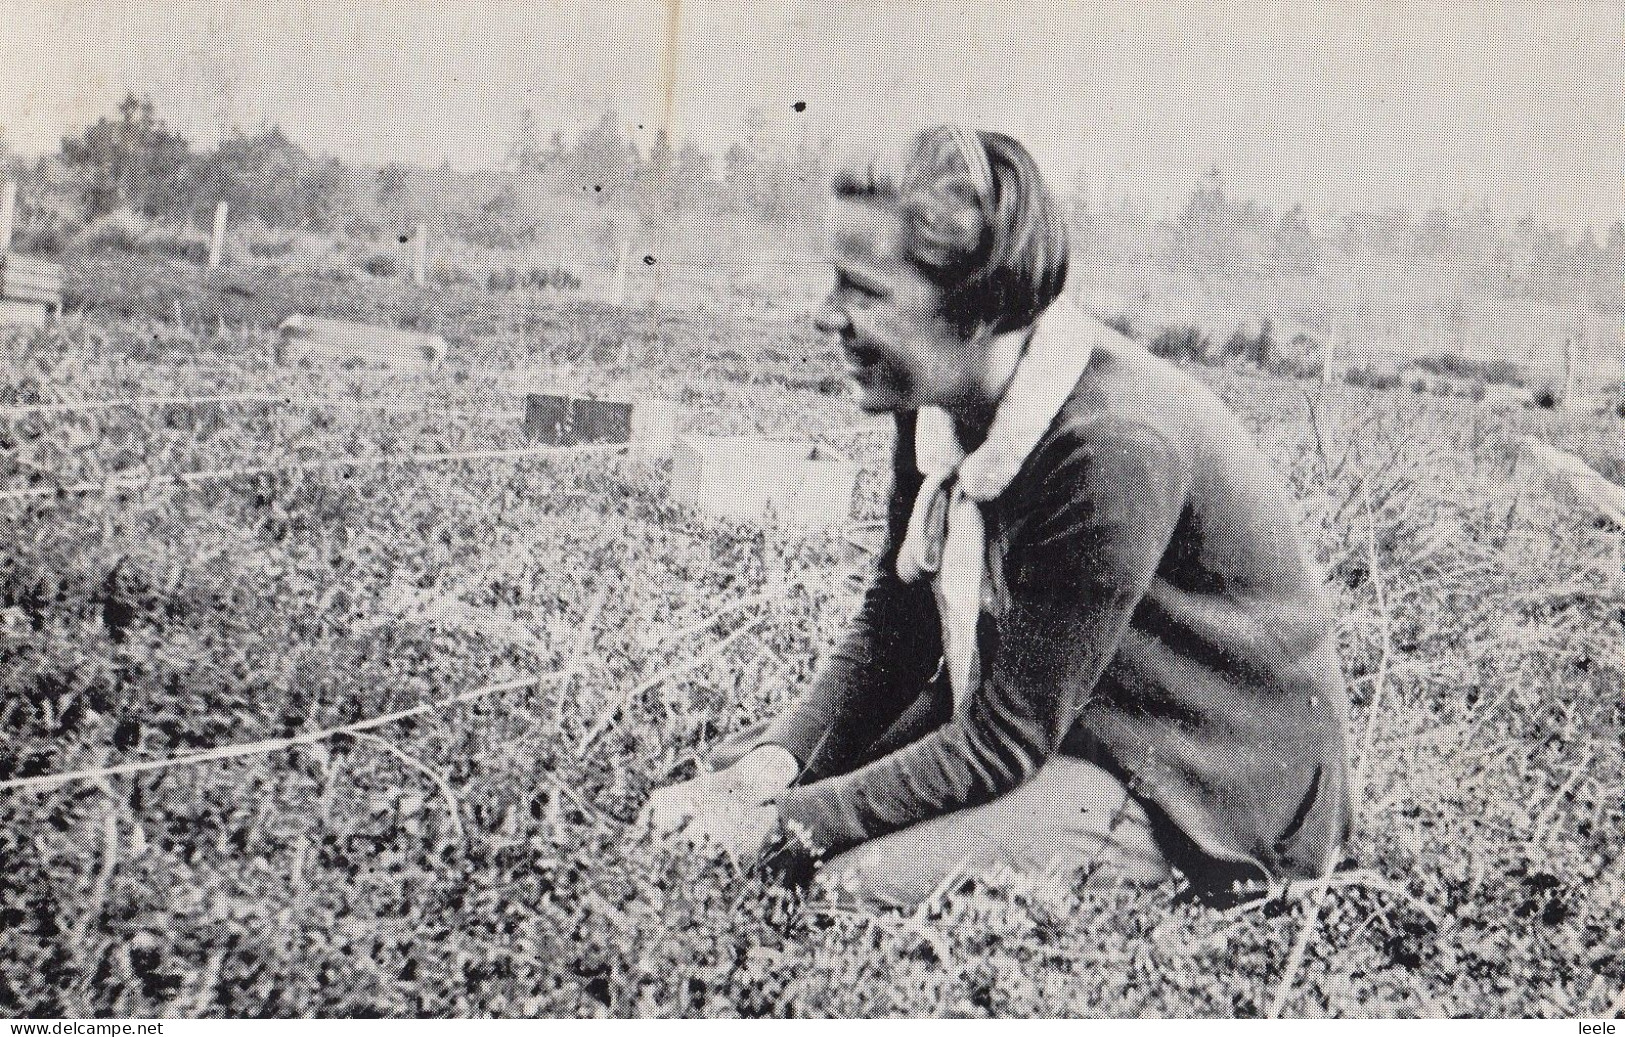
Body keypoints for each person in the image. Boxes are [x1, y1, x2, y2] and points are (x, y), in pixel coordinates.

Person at [641, 125, 1353, 908]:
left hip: (1199, 777)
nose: (825, 316)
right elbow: (897, 629)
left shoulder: (1112, 445)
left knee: (847, 884)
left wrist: (781, 824)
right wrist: (767, 770)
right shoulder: (938, 399)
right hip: (1072, 716)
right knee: (733, 783)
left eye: (865, 291)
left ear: (976, 307)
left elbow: (1003, 739)